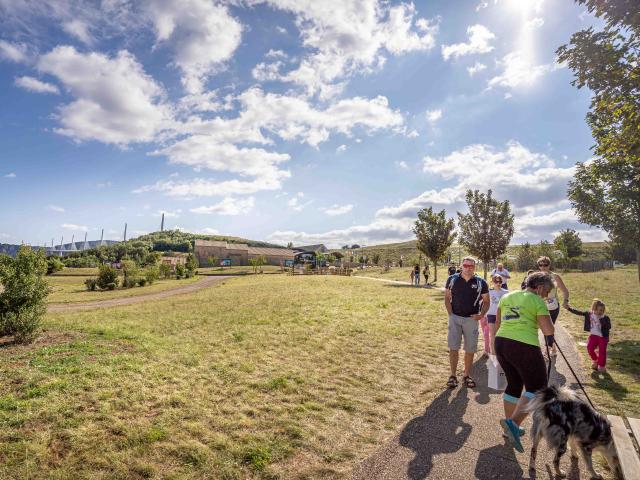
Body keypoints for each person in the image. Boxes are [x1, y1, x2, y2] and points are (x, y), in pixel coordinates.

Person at [493, 271, 555, 453]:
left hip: (501, 341)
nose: (547, 295)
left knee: (514, 384)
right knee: (538, 388)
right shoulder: (537, 300)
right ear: (541, 287)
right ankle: (513, 423)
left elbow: (497, 322)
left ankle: (509, 428)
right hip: (523, 345)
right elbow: (548, 330)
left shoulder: (508, 296)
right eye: (547, 291)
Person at [444, 257, 490, 389]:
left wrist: (481, 315)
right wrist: (450, 314)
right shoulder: (452, 279)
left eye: (471, 266)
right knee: (453, 347)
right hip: (455, 318)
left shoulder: (481, 282)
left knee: (470, 349)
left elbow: (486, 301)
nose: (468, 268)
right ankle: (453, 375)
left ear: (474, 267)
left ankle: (466, 375)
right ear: (461, 266)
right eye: (466, 265)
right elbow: (447, 297)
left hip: (471, 320)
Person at [565, 299, 611, 372]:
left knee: (602, 351)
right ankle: (596, 360)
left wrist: (602, 321)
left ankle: (601, 366)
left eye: (602, 310)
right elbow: (579, 312)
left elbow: (609, 327)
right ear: (593, 309)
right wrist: (569, 308)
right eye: (598, 310)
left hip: (603, 337)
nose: (599, 312)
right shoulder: (589, 314)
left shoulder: (605, 318)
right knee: (590, 348)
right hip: (593, 335)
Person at [536, 257, 570, 355]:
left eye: (545, 265)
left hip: (553, 307)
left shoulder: (555, 277)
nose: (543, 267)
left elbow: (565, 291)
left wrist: (566, 301)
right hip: (540, 306)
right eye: (540, 265)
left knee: (548, 327)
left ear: (549, 265)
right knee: (545, 328)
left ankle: (547, 350)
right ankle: (553, 348)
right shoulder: (537, 277)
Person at [486, 274, 509, 355]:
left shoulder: (506, 292)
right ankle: (493, 353)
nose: (498, 283)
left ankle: (501, 352)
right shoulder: (489, 291)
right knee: (492, 334)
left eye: (500, 281)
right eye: (496, 281)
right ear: (492, 282)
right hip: (491, 314)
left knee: (500, 334)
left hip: (502, 315)